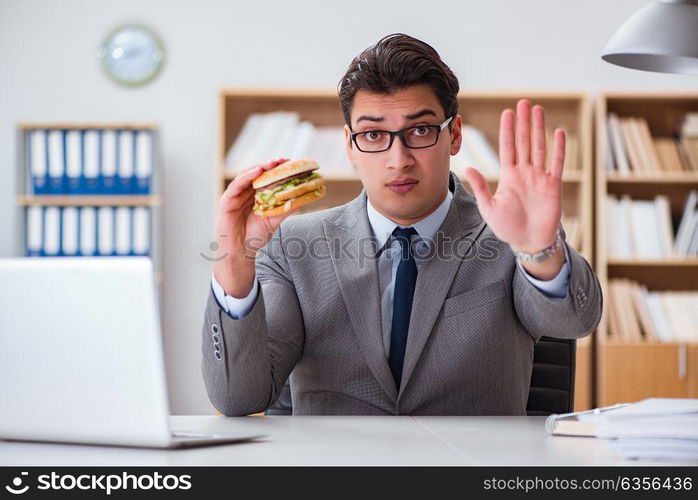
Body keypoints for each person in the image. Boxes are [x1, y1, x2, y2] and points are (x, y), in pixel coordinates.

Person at [202, 33, 602, 416]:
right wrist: (235, 266)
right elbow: (239, 398)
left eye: (421, 130)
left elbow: (571, 322)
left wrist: (539, 252)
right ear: (350, 145)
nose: (399, 159)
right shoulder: (294, 245)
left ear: (455, 135)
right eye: (374, 134)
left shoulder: (510, 232)